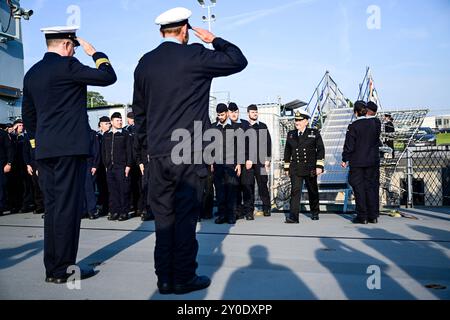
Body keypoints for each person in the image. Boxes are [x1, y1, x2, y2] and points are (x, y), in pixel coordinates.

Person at [132, 7, 247, 295]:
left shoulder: (144, 64)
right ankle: (182, 277)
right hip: (188, 150)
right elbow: (238, 60)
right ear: (185, 30)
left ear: (161, 32)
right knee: (184, 216)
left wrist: (146, 150)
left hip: (157, 153)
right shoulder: (195, 54)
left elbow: (140, 114)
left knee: (163, 218)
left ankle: (165, 279)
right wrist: (214, 39)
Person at [22, 26, 117, 284]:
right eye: (73, 46)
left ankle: (52, 267)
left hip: (45, 151)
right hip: (69, 150)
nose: (75, 50)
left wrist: (36, 145)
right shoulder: (69, 65)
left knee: (53, 208)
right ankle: (63, 268)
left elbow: (28, 116)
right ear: (66, 44)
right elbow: (108, 76)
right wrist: (95, 53)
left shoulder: (31, 74)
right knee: (68, 209)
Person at [341, 101, 381, 224]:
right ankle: (373, 215)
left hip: (358, 162)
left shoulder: (353, 126)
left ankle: (362, 216)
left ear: (355, 112)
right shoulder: (375, 123)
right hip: (372, 160)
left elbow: (349, 146)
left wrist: (344, 159)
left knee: (359, 188)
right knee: (372, 187)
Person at [284, 110, 325, 223]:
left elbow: (321, 149)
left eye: (300, 120)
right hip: (296, 167)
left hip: (310, 168)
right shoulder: (291, 134)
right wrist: (286, 167)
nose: (297, 122)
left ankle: (315, 212)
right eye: (296, 120)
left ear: (306, 121)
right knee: (295, 191)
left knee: (312, 190)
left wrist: (319, 166)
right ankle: (293, 217)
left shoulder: (314, 133)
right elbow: (287, 151)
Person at [212, 103, 242, 225]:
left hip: (231, 164)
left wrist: (239, 163)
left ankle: (231, 216)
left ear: (227, 113)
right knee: (220, 191)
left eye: (222, 114)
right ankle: (222, 215)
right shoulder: (213, 128)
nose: (220, 117)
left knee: (231, 190)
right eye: (218, 115)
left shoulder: (234, 127)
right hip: (218, 164)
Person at [102, 113, 133, 221]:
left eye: (120, 120)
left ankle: (124, 212)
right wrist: (106, 165)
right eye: (117, 120)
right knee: (112, 191)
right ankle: (115, 211)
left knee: (123, 190)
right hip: (110, 167)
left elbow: (129, 151)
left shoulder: (125, 134)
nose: (120, 122)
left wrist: (128, 165)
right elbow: (104, 151)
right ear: (111, 122)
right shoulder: (106, 135)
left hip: (122, 167)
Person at [247, 104, 272, 217]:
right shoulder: (244, 127)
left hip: (262, 162)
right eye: (252, 112)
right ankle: (250, 210)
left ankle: (266, 208)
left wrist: (267, 160)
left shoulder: (263, 126)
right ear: (248, 113)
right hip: (248, 162)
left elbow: (268, 143)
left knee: (263, 184)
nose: (255, 114)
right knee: (249, 185)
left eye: (256, 112)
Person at [0, 128, 14, 216]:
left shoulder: (3, 134)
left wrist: (9, 163)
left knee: (1, 186)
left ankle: (1, 207)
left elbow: (10, 149)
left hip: (1, 163)